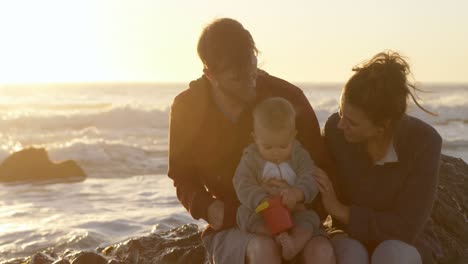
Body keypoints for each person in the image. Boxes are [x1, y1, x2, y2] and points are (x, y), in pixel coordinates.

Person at [168, 18, 336, 263]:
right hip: (237, 221)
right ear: (210, 75)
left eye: (252, 67)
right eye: (238, 78)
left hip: (297, 216)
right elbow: (182, 178)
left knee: (320, 252)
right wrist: (210, 209)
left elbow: (321, 169)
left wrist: (303, 212)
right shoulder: (188, 107)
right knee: (263, 248)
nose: (251, 81)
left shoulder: (287, 98)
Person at [315, 51, 441, 264]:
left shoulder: (424, 143)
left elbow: (406, 227)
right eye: (340, 112)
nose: (340, 124)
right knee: (351, 254)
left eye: (352, 122)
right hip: (349, 236)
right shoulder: (336, 133)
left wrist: (341, 211)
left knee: (390, 254)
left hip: (406, 243)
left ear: (381, 128)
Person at [233, 97, 324, 261]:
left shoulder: (299, 154)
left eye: (283, 146)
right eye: (268, 147)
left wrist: (297, 194)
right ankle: (276, 236)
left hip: (294, 210)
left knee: (310, 220)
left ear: (293, 136)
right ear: (255, 138)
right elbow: (242, 182)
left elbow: (310, 176)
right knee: (245, 217)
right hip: (261, 212)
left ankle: (295, 243)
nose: (276, 152)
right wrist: (260, 199)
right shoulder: (251, 158)